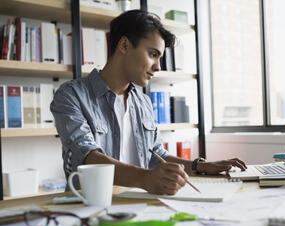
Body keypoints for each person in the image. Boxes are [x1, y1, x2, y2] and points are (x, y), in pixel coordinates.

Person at [50, 9, 247, 195]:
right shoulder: (71, 95)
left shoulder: (143, 102)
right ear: (124, 45)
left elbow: (156, 154)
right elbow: (89, 158)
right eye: (153, 54)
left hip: (141, 204)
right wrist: (147, 179)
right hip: (89, 207)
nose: (158, 67)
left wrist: (200, 166)